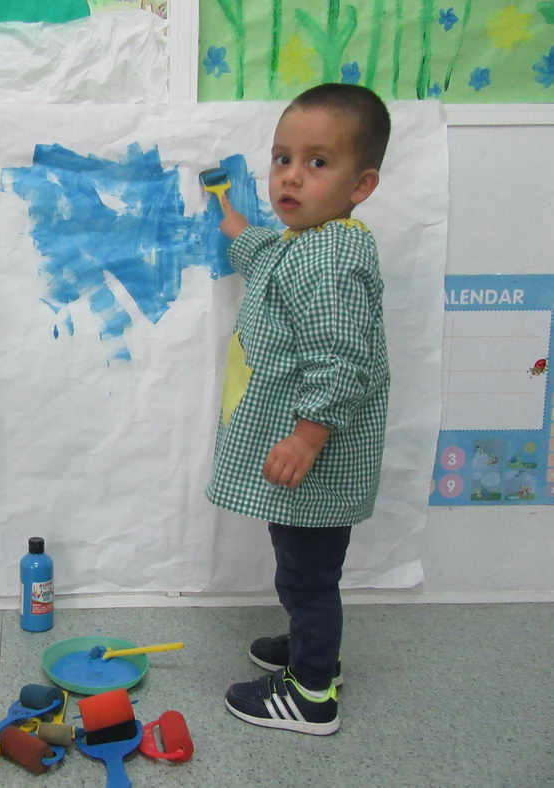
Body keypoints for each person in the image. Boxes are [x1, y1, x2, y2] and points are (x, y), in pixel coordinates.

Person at [207, 83, 391, 735]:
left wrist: (307, 437)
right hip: (304, 458)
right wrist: (237, 230)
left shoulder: (330, 257)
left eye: (316, 163)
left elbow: (341, 360)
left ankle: (312, 692)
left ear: (360, 184)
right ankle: (315, 649)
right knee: (301, 569)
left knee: (309, 576)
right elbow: (267, 255)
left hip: (317, 458)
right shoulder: (306, 241)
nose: (290, 176)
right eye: (281, 158)